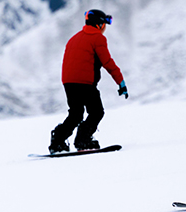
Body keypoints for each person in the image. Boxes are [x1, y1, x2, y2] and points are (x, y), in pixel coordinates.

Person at [49, 9, 128, 154]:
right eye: (104, 24)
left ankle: (58, 141)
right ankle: (83, 139)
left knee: (76, 114)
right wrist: (121, 82)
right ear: (98, 24)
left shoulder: (73, 38)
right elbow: (107, 62)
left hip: (68, 82)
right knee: (97, 112)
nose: (104, 28)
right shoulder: (98, 38)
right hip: (85, 83)